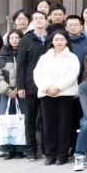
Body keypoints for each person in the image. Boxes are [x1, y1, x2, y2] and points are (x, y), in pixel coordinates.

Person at [33, 30, 81, 166]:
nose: (59, 42)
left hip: (65, 95)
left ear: (66, 41)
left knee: (64, 126)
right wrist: (46, 88)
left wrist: (58, 88)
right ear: (52, 41)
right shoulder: (44, 58)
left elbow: (73, 75)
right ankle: (50, 155)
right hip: (47, 95)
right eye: (56, 39)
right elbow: (37, 74)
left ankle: (62, 155)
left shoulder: (72, 57)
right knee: (48, 126)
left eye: (62, 39)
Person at [15, 10, 52, 161]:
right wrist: (20, 86)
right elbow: (21, 64)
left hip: (49, 85)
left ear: (46, 20)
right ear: (32, 22)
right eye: (35, 18)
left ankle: (46, 148)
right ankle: (31, 149)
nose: (39, 20)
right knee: (30, 119)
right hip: (30, 85)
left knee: (46, 119)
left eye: (41, 18)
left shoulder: (52, 38)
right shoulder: (26, 39)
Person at [0, 30, 23, 159]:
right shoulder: (2, 55)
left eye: (17, 37)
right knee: (7, 121)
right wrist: (8, 90)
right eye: (11, 38)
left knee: (22, 120)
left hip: (22, 93)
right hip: (6, 93)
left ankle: (21, 149)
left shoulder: (26, 53)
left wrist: (20, 88)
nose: (14, 40)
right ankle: (8, 150)